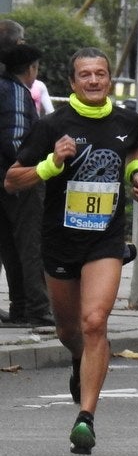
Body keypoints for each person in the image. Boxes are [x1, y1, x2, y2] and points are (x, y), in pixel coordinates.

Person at [4, 47, 138, 455]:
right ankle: (79, 361)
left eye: (100, 73)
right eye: (84, 75)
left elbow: (134, 150)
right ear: (72, 83)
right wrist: (52, 162)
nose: (93, 81)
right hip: (60, 240)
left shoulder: (126, 121)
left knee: (95, 321)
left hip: (105, 238)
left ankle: (86, 417)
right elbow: (13, 180)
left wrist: (137, 175)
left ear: (108, 79)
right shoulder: (52, 125)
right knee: (70, 331)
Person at [0, 41, 53, 329]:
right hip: (19, 180)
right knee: (31, 243)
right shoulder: (18, 93)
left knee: (9, 246)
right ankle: (39, 310)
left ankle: (19, 307)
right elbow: (16, 137)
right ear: (31, 68)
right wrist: (26, 168)